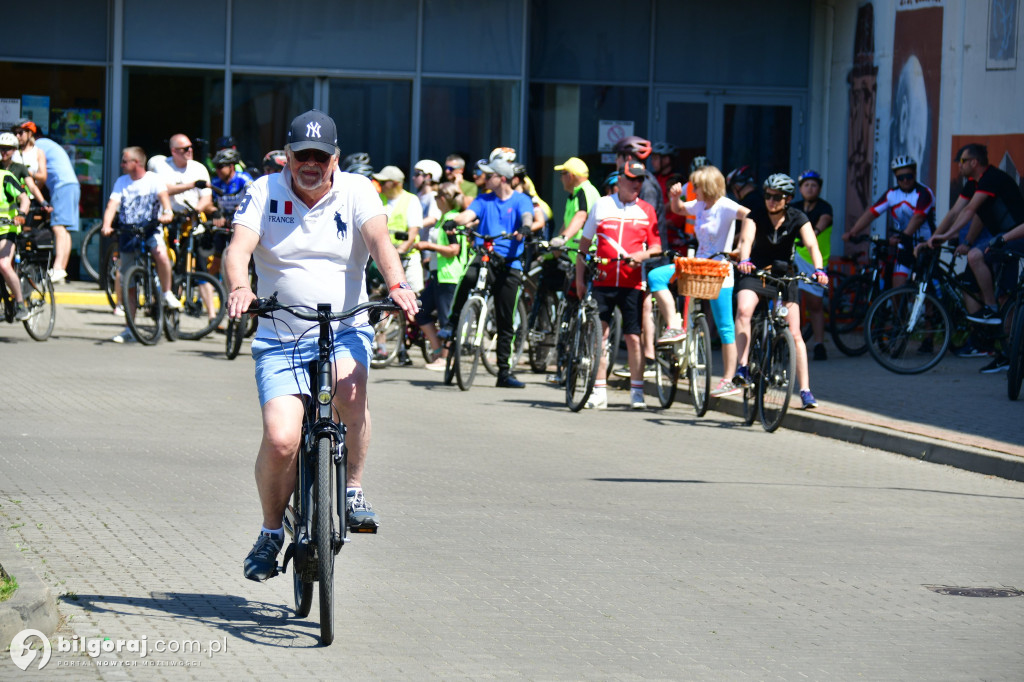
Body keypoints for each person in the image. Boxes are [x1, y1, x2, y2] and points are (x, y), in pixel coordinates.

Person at [224, 110, 418, 582]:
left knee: (349, 395)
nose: (310, 164)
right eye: (301, 155)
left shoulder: (356, 190)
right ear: (287, 156)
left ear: (334, 158)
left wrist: (396, 284)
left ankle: (351, 489)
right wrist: (239, 287)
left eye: (320, 155)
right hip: (281, 335)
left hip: (343, 328)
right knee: (282, 438)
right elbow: (239, 249)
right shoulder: (264, 191)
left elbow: (379, 241)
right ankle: (272, 532)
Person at [733, 174, 828, 409]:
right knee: (744, 310)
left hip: (784, 276)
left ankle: (805, 391)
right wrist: (745, 259)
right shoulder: (755, 215)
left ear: (788, 199)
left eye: (777, 197)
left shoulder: (798, 217)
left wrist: (819, 270)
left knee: (795, 334)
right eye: (768, 195)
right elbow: (746, 240)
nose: (771, 201)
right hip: (756, 272)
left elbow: (812, 245)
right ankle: (743, 366)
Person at [575, 159, 661, 410]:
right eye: (631, 179)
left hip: (632, 283)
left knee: (634, 338)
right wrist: (579, 278)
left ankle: (637, 392)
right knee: (600, 335)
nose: (636, 184)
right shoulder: (601, 205)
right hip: (602, 281)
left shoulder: (646, 210)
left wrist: (641, 257)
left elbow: (656, 247)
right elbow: (583, 246)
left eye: (640, 180)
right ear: (620, 180)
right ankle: (599, 391)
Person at [662, 164, 751, 396]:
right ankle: (679, 331)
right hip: (698, 266)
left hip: (720, 268)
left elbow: (751, 216)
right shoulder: (700, 205)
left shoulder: (726, 206)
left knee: (725, 327)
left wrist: (742, 246)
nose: (694, 190)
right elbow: (680, 209)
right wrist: (675, 197)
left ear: (708, 186)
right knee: (659, 278)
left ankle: (729, 378)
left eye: (697, 186)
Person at [447, 157, 534, 388]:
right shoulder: (484, 199)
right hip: (485, 255)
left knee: (506, 319)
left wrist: (525, 228)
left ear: (502, 178)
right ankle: (452, 322)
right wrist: (453, 221)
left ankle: (504, 373)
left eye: (490, 174)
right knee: (468, 278)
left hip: (510, 263)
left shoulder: (521, 200)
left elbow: (527, 216)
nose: (486, 178)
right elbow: (469, 215)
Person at [929, 144, 1024, 331]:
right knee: (999, 292)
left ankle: (990, 307)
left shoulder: (990, 179)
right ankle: (998, 344)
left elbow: (969, 210)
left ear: (974, 162)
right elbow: (955, 212)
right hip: (1002, 237)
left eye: (962, 161)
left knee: (976, 257)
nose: (959, 165)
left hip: (1016, 234)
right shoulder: (974, 184)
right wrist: (934, 238)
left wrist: (946, 235)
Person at [99, 146, 178, 343]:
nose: (121, 165)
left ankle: (167, 292)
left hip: (151, 228)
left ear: (137, 163)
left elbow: (164, 199)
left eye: (125, 161)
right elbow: (112, 206)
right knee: (129, 284)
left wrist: (167, 212)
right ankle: (130, 329)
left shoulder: (153, 180)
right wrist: (107, 225)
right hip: (128, 232)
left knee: (160, 253)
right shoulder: (121, 182)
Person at [845, 155, 935, 288]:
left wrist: (903, 236)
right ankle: (899, 309)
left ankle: (930, 308)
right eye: (900, 177)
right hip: (905, 244)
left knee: (924, 289)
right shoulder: (892, 194)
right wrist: (853, 232)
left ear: (915, 174)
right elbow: (872, 213)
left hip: (925, 244)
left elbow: (918, 218)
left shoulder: (923, 193)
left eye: (908, 176)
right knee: (897, 285)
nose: (905, 180)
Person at [15, 121, 79, 284]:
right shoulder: (51, 144)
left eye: (21, 133)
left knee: (58, 227)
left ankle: (57, 268)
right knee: (65, 229)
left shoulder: (40, 145)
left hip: (61, 186)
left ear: (33, 136)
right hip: (71, 185)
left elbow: (38, 174)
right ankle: (61, 269)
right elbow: (41, 182)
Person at [413, 182, 469, 369]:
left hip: (450, 276)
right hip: (439, 274)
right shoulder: (445, 218)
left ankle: (445, 359)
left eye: (437, 197)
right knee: (420, 311)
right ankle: (438, 351)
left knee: (446, 318)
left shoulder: (452, 220)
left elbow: (454, 249)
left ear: (443, 199)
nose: (435, 200)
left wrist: (429, 247)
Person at [790, 170, 834, 361]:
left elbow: (823, 222)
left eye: (814, 185)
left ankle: (819, 344)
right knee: (790, 301)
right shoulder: (794, 207)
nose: (810, 188)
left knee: (815, 304)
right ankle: (789, 342)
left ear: (819, 188)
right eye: (806, 185)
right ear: (800, 188)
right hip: (794, 256)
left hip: (814, 260)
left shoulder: (824, 207)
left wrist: (813, 232)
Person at [209, 147, 254, 290]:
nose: (217, 170)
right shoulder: (216, 182)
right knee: (216, 262)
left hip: (241, 223)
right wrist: (216, 212)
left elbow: (254, 199)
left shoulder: (244, 179)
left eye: (220, 166)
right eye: (216, 167)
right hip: (224, 224)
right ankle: (210, 290)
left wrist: (240, 207)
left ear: (231, 166)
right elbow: (209, 203)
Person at [549, 156, 601, 263]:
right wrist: (558, 244)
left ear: (570, 176)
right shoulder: (575, 194)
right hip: (576, 255)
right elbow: (568, 223)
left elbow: (581, 217)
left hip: (587, 255)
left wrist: (563, 238)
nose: (560, 178)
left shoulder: (585, 190)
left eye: (562, 174)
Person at [154, 134, 215, 218]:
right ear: (174, 151)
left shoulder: (199, 168)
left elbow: (206, 197)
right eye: (186, 148)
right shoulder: (162, 166)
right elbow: (164, 190)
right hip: (170, 221)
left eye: (191, 147)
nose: (190, 150)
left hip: (193, 221)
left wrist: (195, 211)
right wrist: (193, 184)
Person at [0, 160, 31, 321]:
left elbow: (25, 199)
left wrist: (21, 215)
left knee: (3, 264)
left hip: (7, 230)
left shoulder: (5, 177)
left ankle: (20, 303)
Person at [0, 132, 47, 207]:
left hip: (19, 206)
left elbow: (32, 186)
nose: (4, 152)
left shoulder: (20, 168)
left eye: (8, 148)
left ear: (14, 149)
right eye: (2, 148)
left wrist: (43, 203)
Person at [412, 159, 443, 230]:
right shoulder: (419, 195)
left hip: (428, 240)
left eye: (417, 174)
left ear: (428, 176)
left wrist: (412, 226)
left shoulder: (434, 196)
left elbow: (432, 219)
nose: (413, 178)